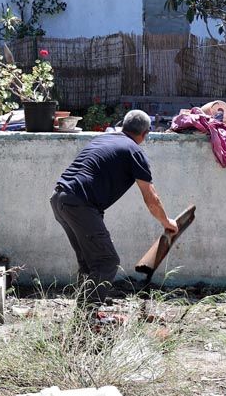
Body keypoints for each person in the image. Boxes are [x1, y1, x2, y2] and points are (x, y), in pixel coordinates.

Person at [51, 110, 177, 313]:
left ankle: (85, 316)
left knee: (90, 262)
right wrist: (166, 222)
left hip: (60, 199)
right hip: (79, 204)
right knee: (107, 262)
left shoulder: (104, 139)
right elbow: (151, 196)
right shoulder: (134, 151)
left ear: (123, 127)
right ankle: (87, 317)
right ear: (145, 133)